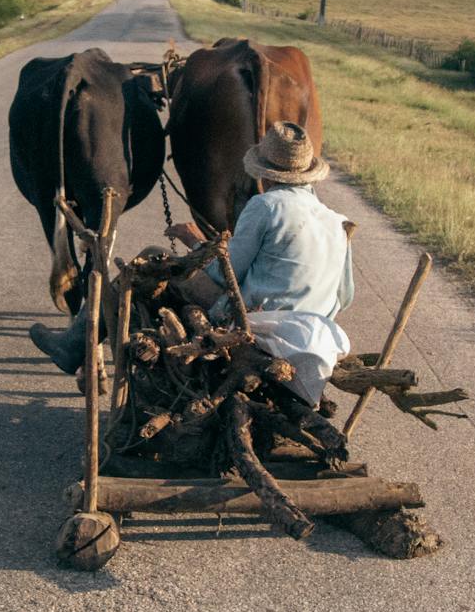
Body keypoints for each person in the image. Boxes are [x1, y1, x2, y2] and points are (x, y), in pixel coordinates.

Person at [29, 122, 354, 405]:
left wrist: (196, 243)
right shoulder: (338, 221)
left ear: (264, 176)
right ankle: (78, 345)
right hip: (314, 331)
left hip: (257, 320)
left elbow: (225, 273)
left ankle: (74, 346)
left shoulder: (266, 206)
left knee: (151, 256)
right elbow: (345, 296)